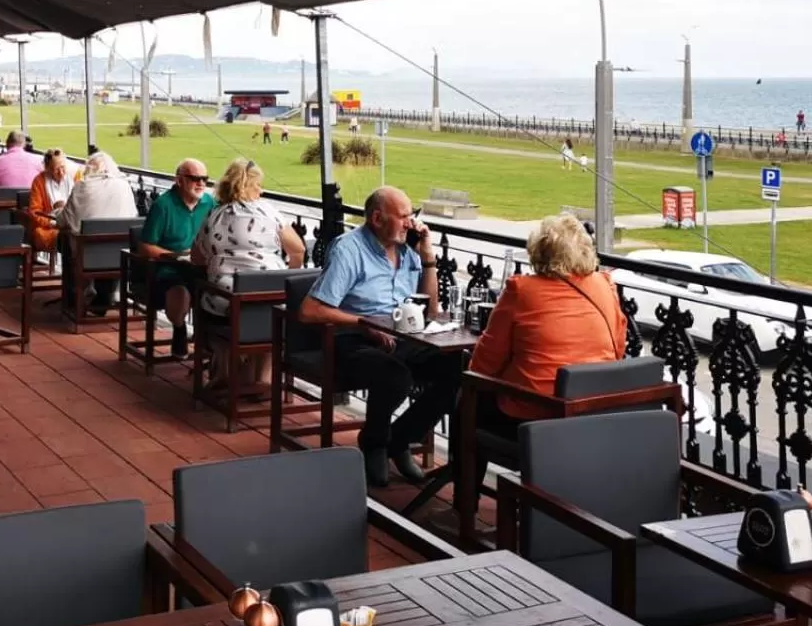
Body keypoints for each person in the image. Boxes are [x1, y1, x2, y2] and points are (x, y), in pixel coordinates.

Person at [298, 187, 458, 488]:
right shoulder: (349, 249)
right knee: (395, 376)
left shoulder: (408, 251)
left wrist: (428, 258)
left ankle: (398, 440)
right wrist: (362, 323)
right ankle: (374, 443)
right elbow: (309, 311)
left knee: (458, 371)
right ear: (376, 218)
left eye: (413, 216)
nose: (412, 223)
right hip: (351, 340)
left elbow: (432, 311)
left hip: (402, 337)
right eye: (404, 217)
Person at [465, 213, 628, 445]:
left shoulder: (521, 290)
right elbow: (618, 351)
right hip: (592, 415)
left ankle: (465, 479)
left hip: (535, 419)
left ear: (539, 251)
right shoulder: (604, 285)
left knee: (468, 396)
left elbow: (484, 364)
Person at [192, 158, 305, 384]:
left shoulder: (215, 215)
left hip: (227, 302)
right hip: (272, 300)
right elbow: (298, 250)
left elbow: (197, 258)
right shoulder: (270, 213)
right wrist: (287, 274)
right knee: (270, 310)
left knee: (210, 298)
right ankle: (263, 376)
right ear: (246, 186)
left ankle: (224, 368)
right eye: (257, 185)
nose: (260, 190)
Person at [137, 159, 217, 356]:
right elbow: (145, 246)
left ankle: (209, 344)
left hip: (200, 267)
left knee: (219, 290)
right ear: (179, 180)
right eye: (194, 179)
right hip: (168, 268)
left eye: (204, 179)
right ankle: (180, 328)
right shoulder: (163, 205)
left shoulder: (210, 203)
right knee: (180, 292)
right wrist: (173, 257)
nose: (201, 184)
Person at [58, 151, 139, 311]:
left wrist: (58, 211)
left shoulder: (82, 186)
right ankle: (105, 295)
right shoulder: (124, 186)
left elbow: (64, 220)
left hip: (88, 256)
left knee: (63, 239)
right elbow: (132, 215)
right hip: (122, 256)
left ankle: (73, 299)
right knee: (108, 243)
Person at [26, 148, 74, 254]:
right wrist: (52, 222)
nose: (61, 172)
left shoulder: (74, 177)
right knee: (46, 235)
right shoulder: (39, 181)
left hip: (71, 224)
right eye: (56, 169)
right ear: (47, 168)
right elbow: (35, 211)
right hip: (49, 226)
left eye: (63, 167)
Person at [0, 130, 40, 200]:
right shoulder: (37, 161)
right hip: (29, 208)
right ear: (24, 144)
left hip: (2, 209)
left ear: (7, 143)